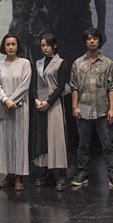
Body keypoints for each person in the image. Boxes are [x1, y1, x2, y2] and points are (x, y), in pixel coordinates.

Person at [70, 28, 113, 190]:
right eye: (89, 39)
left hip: (102, 108)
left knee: (107, 144)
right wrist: (74, 106)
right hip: (84, 107)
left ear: (99, 41)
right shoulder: (78, 64)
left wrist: (112, 108)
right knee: (83, 144)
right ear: (85, 42)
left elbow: (111, 88)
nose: (92, 41)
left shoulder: (108, 63)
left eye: (95, 38)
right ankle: (82, 173)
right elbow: (74, 87)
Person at [0, 33, 32, 191]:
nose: (10, 47)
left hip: (20, 106)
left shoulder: (25, 63)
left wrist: (12, 100)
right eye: (8, 44)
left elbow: (25, 85)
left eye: (13, 44)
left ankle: (19, 176)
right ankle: (8, 174)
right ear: (4, 46)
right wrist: (5, 100)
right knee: (5, 140)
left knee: (20, 140)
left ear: (17, 46)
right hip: (3, 106)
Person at [30, 34, 69, 191]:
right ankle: (47, 172)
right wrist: (36, 100)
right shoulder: (38, 63)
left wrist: (49, 102)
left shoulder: (61, 63)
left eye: (47, 45)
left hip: (54, 104)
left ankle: (61, 173)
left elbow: (61, 86)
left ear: (54, 46)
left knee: (56, 137)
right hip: (40, 104)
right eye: (43, 45)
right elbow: (34, 84)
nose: (45, 48)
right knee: (43, 138)